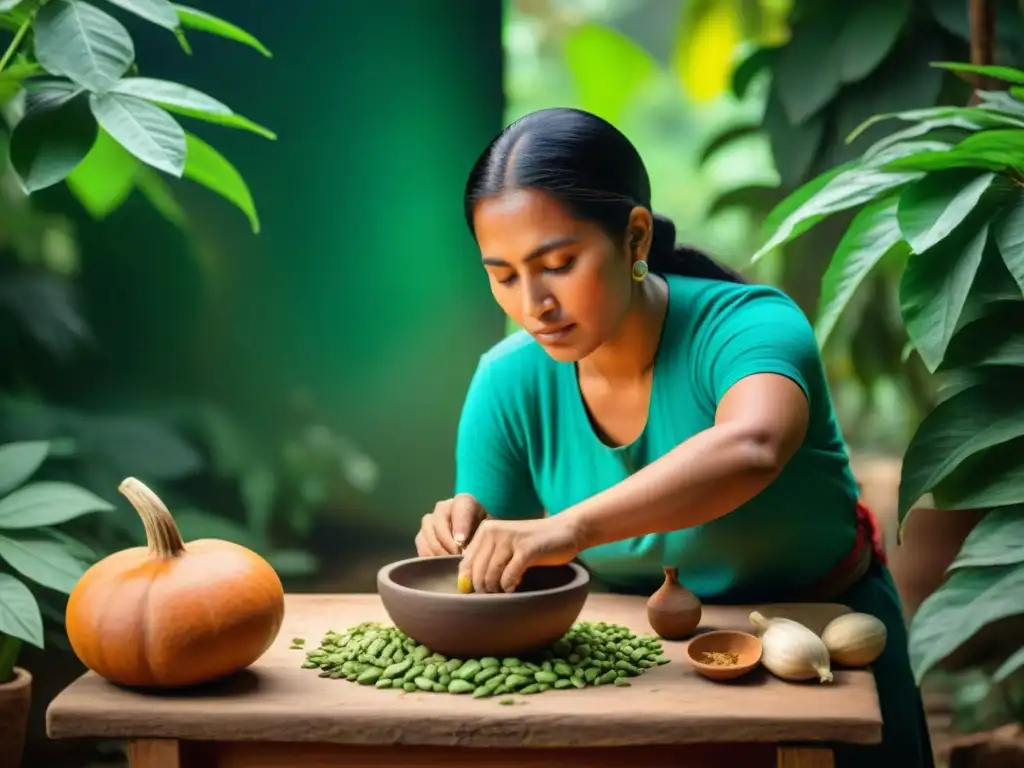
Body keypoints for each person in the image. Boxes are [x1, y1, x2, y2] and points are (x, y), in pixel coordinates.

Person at [414, 106, 933, 767]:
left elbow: (752, 446)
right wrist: (466, 541)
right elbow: (503, 575)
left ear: (633, 239)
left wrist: (565, 529)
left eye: (559, 262)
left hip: (826, 651)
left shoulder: (751, 328)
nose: (532, 303)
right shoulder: (507, 382)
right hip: (638, 677)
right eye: (504, 274)